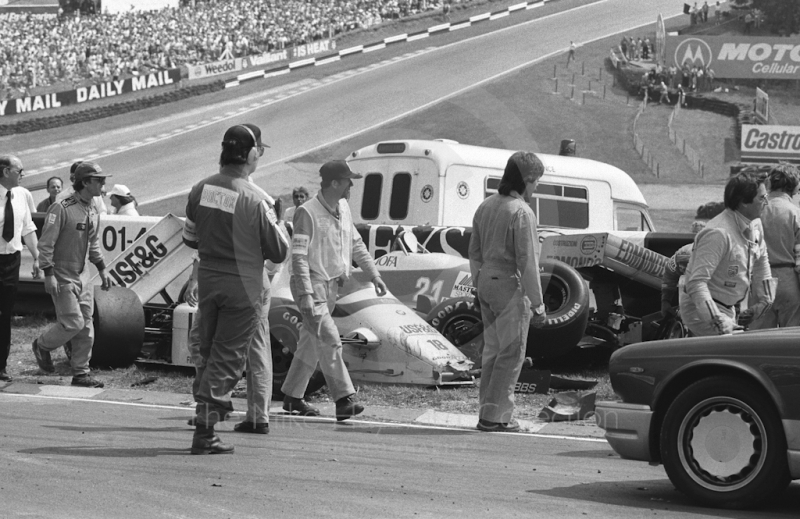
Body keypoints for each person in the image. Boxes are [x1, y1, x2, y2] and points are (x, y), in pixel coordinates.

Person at [183, 123, 289, 455]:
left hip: (210, 280)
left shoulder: (200, 189)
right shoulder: (257, 199)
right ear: (251, 153)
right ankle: (205, 431)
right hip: (244, 285)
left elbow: (189, 239)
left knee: (209, 351)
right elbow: (280, 251)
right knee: (227, 358)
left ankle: (206, 420)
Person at [280, 160, 387, 421]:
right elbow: (299, 257)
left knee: (310, 343)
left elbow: (356, 243)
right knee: (330, 339)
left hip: (330, 285)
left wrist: (375, 274)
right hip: (311, 285)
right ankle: (343, 399)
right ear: (335, 183)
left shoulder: (344, 207)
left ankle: (292, 397)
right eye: (349, 180)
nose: (352, 185)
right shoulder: (306, 212)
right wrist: (305, 294)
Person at [469, 152, 547, 432]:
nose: (535, 188)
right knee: (512, 352)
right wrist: (537, 304)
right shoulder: (522, 211)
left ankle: (486, 412)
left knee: (492, 351)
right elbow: (527, 262)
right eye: (536, 182)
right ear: (526, 180)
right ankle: (496, 416)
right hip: (509, 284)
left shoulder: (486, 205)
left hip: (485, 281)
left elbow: (474, 252)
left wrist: (479, 283)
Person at [32, 161, 111, 387]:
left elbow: (93, 243)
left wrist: (102, 268)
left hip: (83, 273)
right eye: (99, 180)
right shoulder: (62, 207)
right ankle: (42, 345)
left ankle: (81, 374)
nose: (103, 185)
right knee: (73, 322)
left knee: (87, 326)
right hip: (62, 273)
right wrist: (49, 274)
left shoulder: (93, 207)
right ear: (85, 182)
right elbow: (45, 244)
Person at [679, 172, 773, 336]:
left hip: (729, 307)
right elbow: (696, 283)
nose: (767, 202)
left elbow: (762, 264)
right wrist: (718, 320)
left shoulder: (755, 225)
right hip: (701, 311)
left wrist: (765, 301)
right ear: (743, 202)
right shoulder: (718, 233)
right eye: (762, 198)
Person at [0, 155, 40, 382]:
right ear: (6, 172)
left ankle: (0, 366)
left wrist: (36, 257)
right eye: (19, 170)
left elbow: (28, 228)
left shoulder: (23, 195)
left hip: (11, 261)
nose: (23, 174)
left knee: (5, 315)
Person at [750, 164, 800, 329]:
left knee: (757, 341)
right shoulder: (795, 213)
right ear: (794, 186)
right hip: (788, 280)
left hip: (759, 280)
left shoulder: (755, 210)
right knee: (791, 340)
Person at [660, 201, 725, 318]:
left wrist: (666, 301)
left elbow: (669, 275)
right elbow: (669, 273)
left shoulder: (683, 253)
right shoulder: (683, 255)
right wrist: (666, 301)